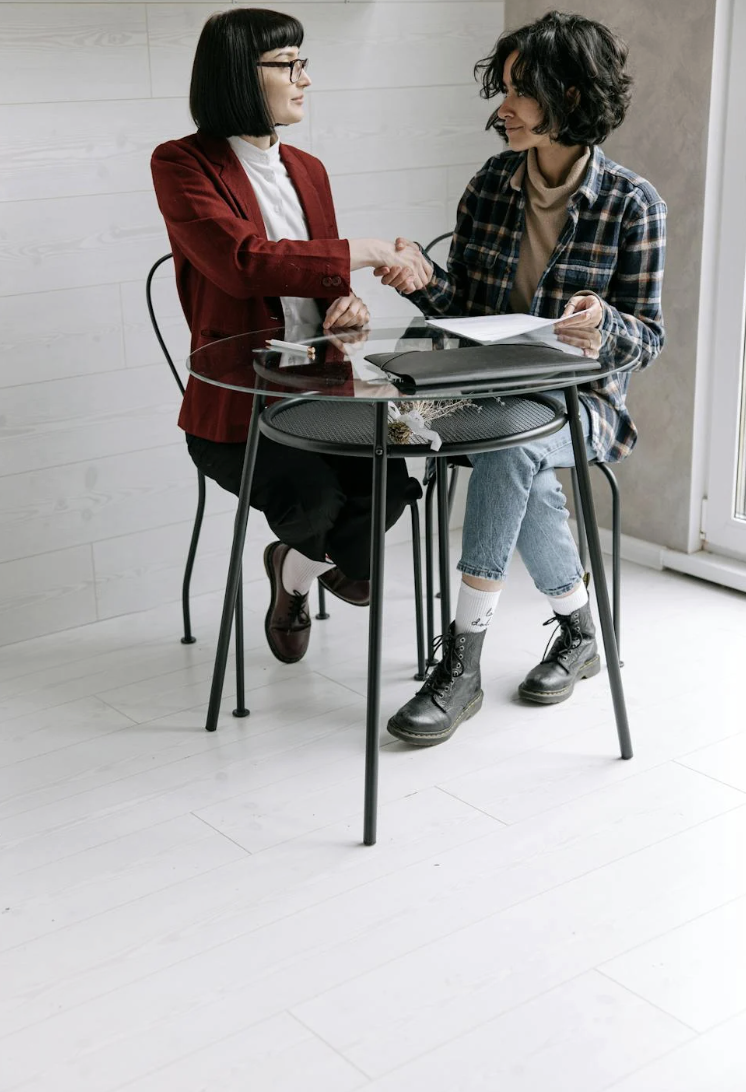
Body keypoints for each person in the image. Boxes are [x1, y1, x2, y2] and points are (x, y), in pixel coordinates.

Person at [376, 10, 666, 746]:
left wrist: (605, 322)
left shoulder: (633, 205)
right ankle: (579, 631)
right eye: (500, 89)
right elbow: (464, 309)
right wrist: (419, 280)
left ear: (568, 94)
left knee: (513, 445)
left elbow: (649, 339)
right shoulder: (491, 185)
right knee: (511, 449)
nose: (501, 108)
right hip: (488, 390)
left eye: (519, 91)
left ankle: (463, 662)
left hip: (584, 406)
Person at [151, 8, 432, 666]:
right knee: (315, 503)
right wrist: (360, 250)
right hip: (238, 412)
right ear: (237, 74)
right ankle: (303, 561)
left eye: (304, 62)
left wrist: (348, 305)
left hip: (324, 394)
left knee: (395, 478)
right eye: (288, 64)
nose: (304, 78)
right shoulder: (183, 164)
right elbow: (242, 262)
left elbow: (323, 282)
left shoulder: (308, 169)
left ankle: (292, 574)